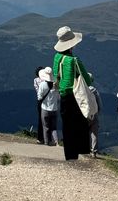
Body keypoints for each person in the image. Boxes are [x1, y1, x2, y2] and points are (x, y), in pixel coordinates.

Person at [52, 25, 92, 162]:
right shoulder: (74, 60)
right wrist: (91, 77)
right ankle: (79, 152)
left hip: (62, 96)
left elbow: (56, 75)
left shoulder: (57, 58)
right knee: (81, 123)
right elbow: (86, 79)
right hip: (74, 96)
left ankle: (69, 154)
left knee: (67, 125)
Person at [36, 67, 60, 146]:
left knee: (45, 127)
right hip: (54, 109)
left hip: (45, 108)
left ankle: (46, 143)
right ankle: (56, 142)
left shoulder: (43, 84)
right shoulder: (56, 85)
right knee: (54, 127)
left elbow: (39, 97)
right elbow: (59, 98)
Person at [87, 82, 102, 156]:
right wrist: (97, 112)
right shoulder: (95, 91)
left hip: (85, 113)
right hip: (95, 113)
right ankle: (94, 151)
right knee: (94, 133)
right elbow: (100, 104)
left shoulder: (82, 90)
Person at [33, 66, 45, 144]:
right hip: (48, 101)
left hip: (40, 101)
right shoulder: (47, 81)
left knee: (40, 119)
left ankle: (40, 138)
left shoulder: (36, 80)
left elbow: (37, 91)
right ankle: (48, 138)